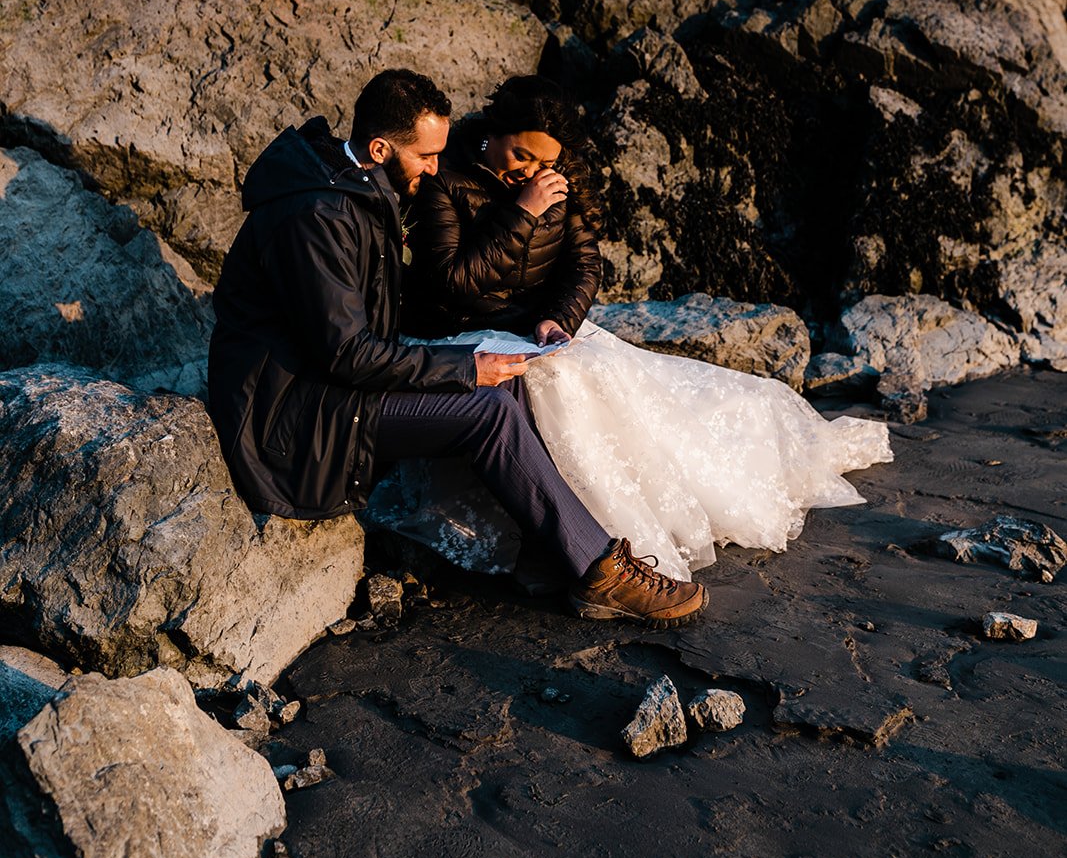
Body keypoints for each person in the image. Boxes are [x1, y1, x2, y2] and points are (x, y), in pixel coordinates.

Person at [207, 68, 708, 626]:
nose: (435, 168)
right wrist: (464, 366)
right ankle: (600, 574)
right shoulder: (317, 216)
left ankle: (552, 552)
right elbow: (347, 354)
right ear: (380, 148)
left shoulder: (354, 187)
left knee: (508, 379)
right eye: (426, 156)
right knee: (486, 407)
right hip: (296, 416)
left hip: (329, 387)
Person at [395, 75, 893, 582]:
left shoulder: (557, 178)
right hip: (463, 332)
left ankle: (604, 530)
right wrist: (523, 213)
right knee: (559, 387)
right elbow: (454, 282)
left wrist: (559, 319)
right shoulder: (445, 177)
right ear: (495, 134)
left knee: (624, 386)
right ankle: (561, 539)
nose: (533, 172)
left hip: (537, 330)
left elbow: (585, 265)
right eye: (522, 156)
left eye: (546, 163)